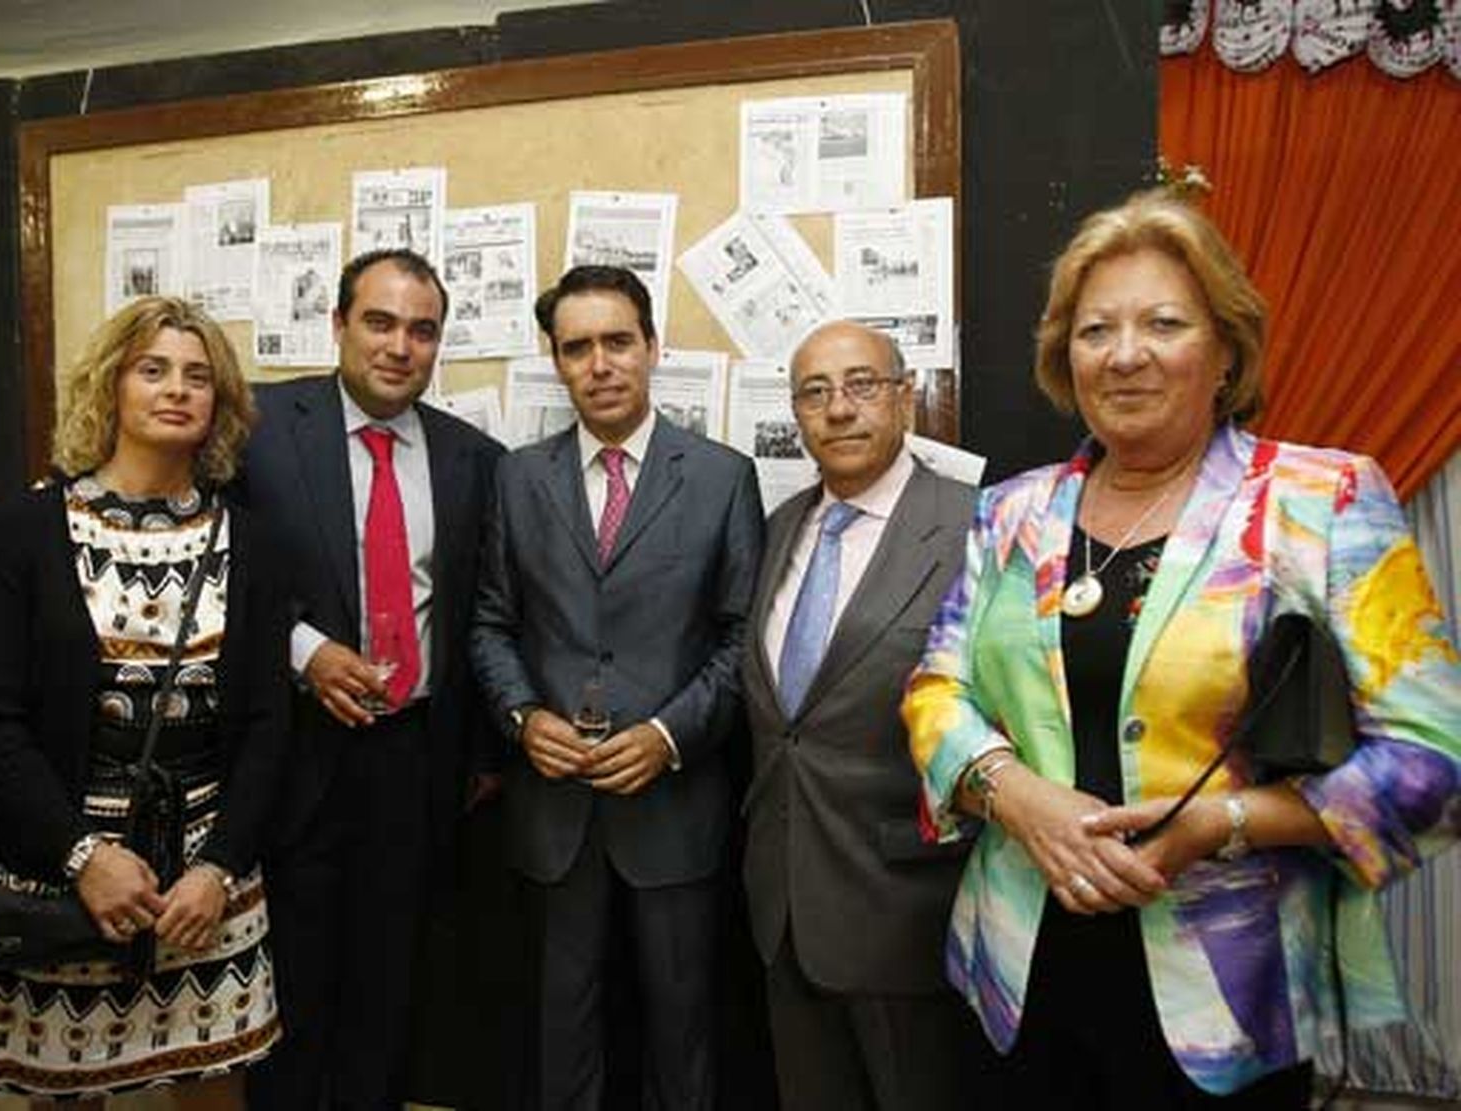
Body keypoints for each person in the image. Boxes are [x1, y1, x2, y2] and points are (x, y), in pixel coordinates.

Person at [902, 188, 1461, 1108]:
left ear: (1227, 350)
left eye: (1163, 323)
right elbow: (936, 690)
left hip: (1228, 996)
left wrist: (1222, 822)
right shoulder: (1011, 512)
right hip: (1017, 974)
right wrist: (1020, 797)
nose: (1125, 354)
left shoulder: (1319, 500)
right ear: (1066, 355)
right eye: (1095, 331)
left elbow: (1433, 759)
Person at [0, 296, 288, 1107]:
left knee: (215, 1093)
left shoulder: (251, 540)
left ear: (218, 402)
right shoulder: (26, 529)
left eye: (197, 376)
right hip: (63, 868)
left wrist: (218, 868)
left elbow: (268, 725)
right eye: (153, 369)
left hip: (204, 880)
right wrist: (84, 858)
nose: (176, 389)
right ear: (111, 384)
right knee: (68, 1090)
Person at [471, 265, 765, 1111]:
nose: (599, 364)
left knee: (683, 1031)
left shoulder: (721, 476)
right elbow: (490, 622)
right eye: (577, 348)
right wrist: (523, 716)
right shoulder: (518, 478)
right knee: (560, 1030)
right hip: (553, 807)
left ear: (652, 347)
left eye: (617, 342)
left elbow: (741, 636)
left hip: (674, 803)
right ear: (556, 360)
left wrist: (669, 736)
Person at [239, 247, 504, 1111]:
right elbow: (217, 571)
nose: (399, 346)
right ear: (338, 325)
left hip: (415, 759)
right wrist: (303, 650)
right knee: (290, 987)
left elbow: (483, 612)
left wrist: (482, 752)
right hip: (293, 752)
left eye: (421, 330)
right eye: (380, 322)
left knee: (389, 986)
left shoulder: (475, 458)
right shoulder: (257, 429)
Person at [741, 320, 991, 1111]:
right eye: (814, 392)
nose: (839, 408)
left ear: (905, 396)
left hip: (907, 906)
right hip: (782, 903)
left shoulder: (976, 525)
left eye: (861, 385)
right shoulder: (780, 528)